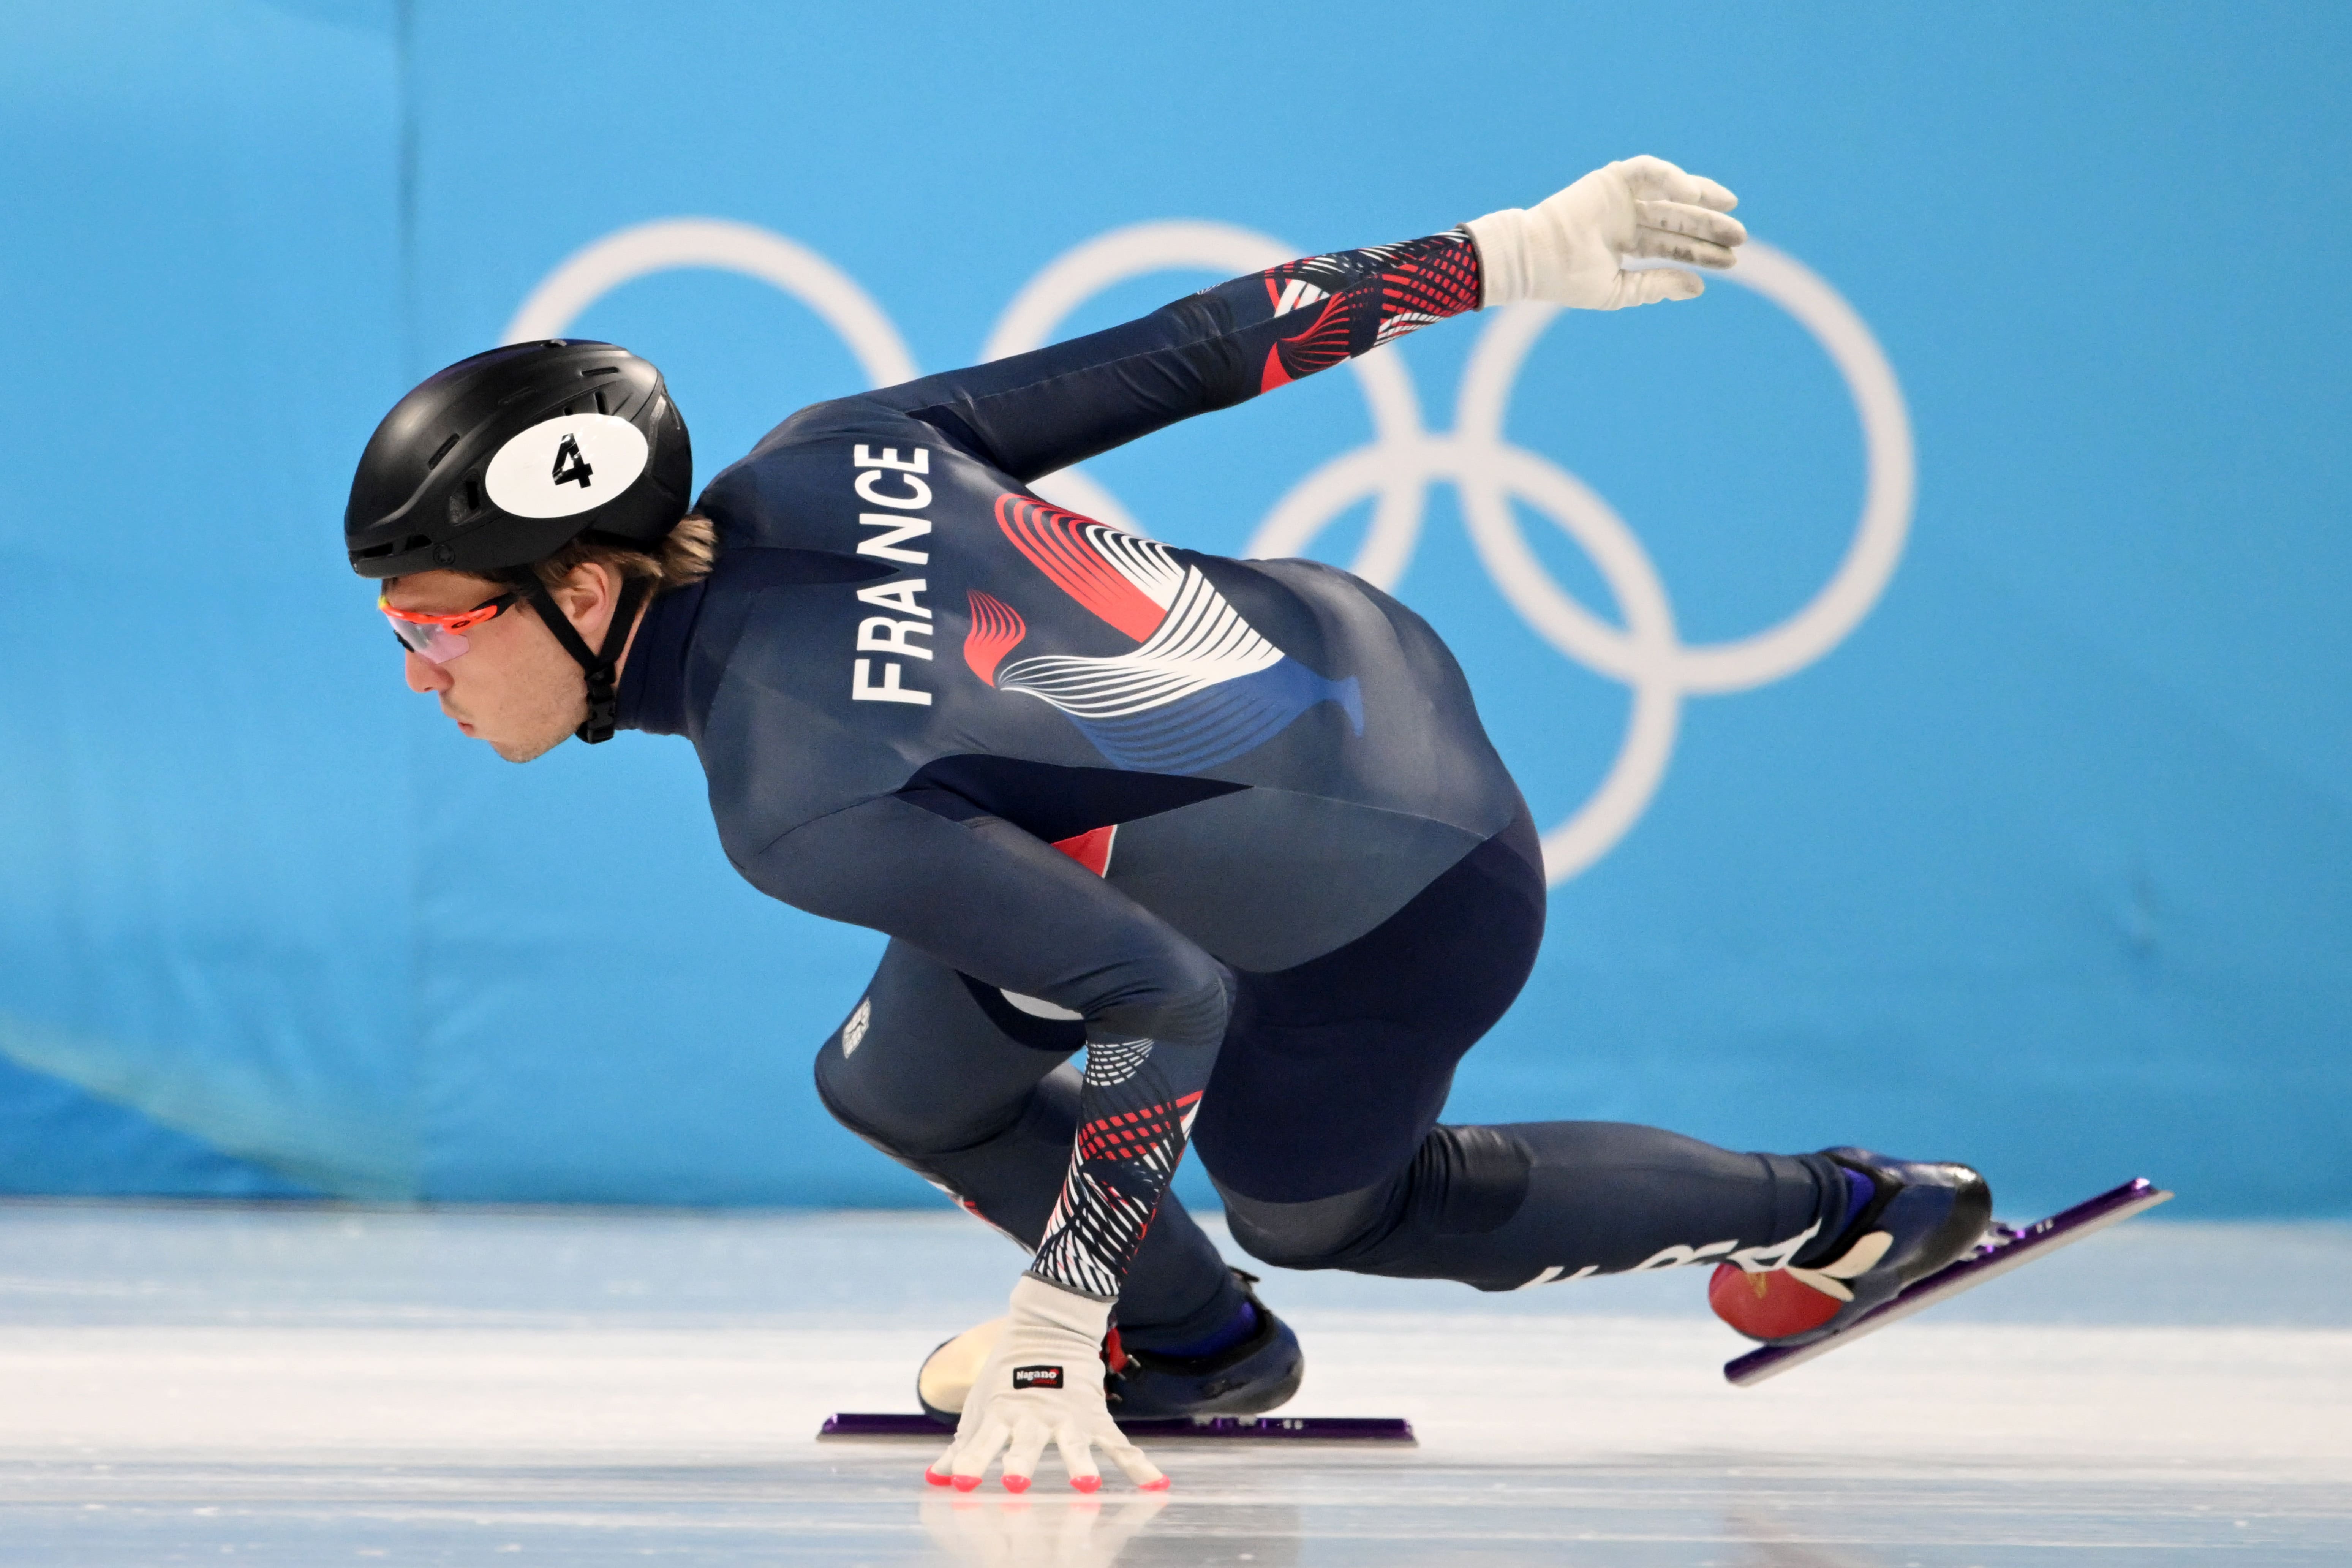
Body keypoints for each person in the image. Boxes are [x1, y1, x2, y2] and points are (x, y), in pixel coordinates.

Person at [345, 157, 1991, 1495]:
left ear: (574, 588)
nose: (420, 675)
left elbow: (1163, 999)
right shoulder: (822, 455)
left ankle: (1846, 1209)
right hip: (1367, 665)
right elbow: (1193, 350)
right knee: (893, 1079)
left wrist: (1057, 1305)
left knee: (1323, 1205)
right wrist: (1497, 254)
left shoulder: (794, 803)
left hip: (1408, 891)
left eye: (429, 626)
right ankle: (1199, 1346)